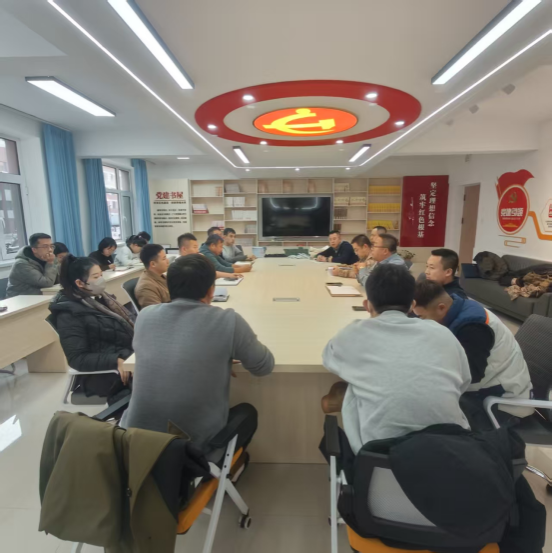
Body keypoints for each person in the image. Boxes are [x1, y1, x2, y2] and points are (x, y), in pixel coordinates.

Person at [121, 254, 275, 449]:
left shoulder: (145, 316)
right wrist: (221, 357)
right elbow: (263, 366)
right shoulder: (228, 321)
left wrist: (212, 358)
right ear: (211, 290)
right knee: (248, 412)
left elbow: (170, 351)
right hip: (190, 448)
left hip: (133, 442)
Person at [322, 264, 471, 454]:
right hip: (454, 453)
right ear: (412, 305)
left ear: (367, 305)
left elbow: (329, 359)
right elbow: (464, 381)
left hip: (382, 459)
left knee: (353, 388)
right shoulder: (443, 333)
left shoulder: (354, 333)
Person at [413, 280, 533, 430]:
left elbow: (470, 375)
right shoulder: (457, 308)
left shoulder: (473, 327)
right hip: (486, 388)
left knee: (426, 418)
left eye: (422, 317)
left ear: (441, 308)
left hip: (502, 403)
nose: (420, 322)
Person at [48, 255, 134, 403]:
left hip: (127, 357)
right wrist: (116, 360)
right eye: (96, 277)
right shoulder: (69, 314)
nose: (101, 279)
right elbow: (77, 358)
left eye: (101, 274)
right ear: (79, 283)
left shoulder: (102, 299)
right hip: (105, 375)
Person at [6, 233, 58, 297]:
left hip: (41, 296)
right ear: (34, 249)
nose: (50, 250)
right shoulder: (21, 264)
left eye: (51, 246)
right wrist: (50, 263)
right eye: (45, 246)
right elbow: (47, 283)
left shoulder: (49, 258)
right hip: (21, 299)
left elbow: (60, 279)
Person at [135, 244, 171, 309]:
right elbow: (156, 312)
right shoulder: (146, 287)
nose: (167, 261)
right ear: (153, 264)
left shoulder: (161, 276)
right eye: (164, 259)